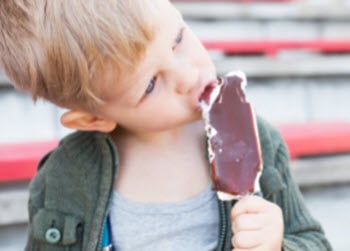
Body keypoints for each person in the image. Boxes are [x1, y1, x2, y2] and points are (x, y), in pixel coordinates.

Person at [0, 0, 332, 250]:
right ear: (94, 119)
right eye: (149, 85)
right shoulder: (62, 179)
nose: (188, 75)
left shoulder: (258, 141)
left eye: (177, 40)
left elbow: (313, 240)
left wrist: (277, 244)